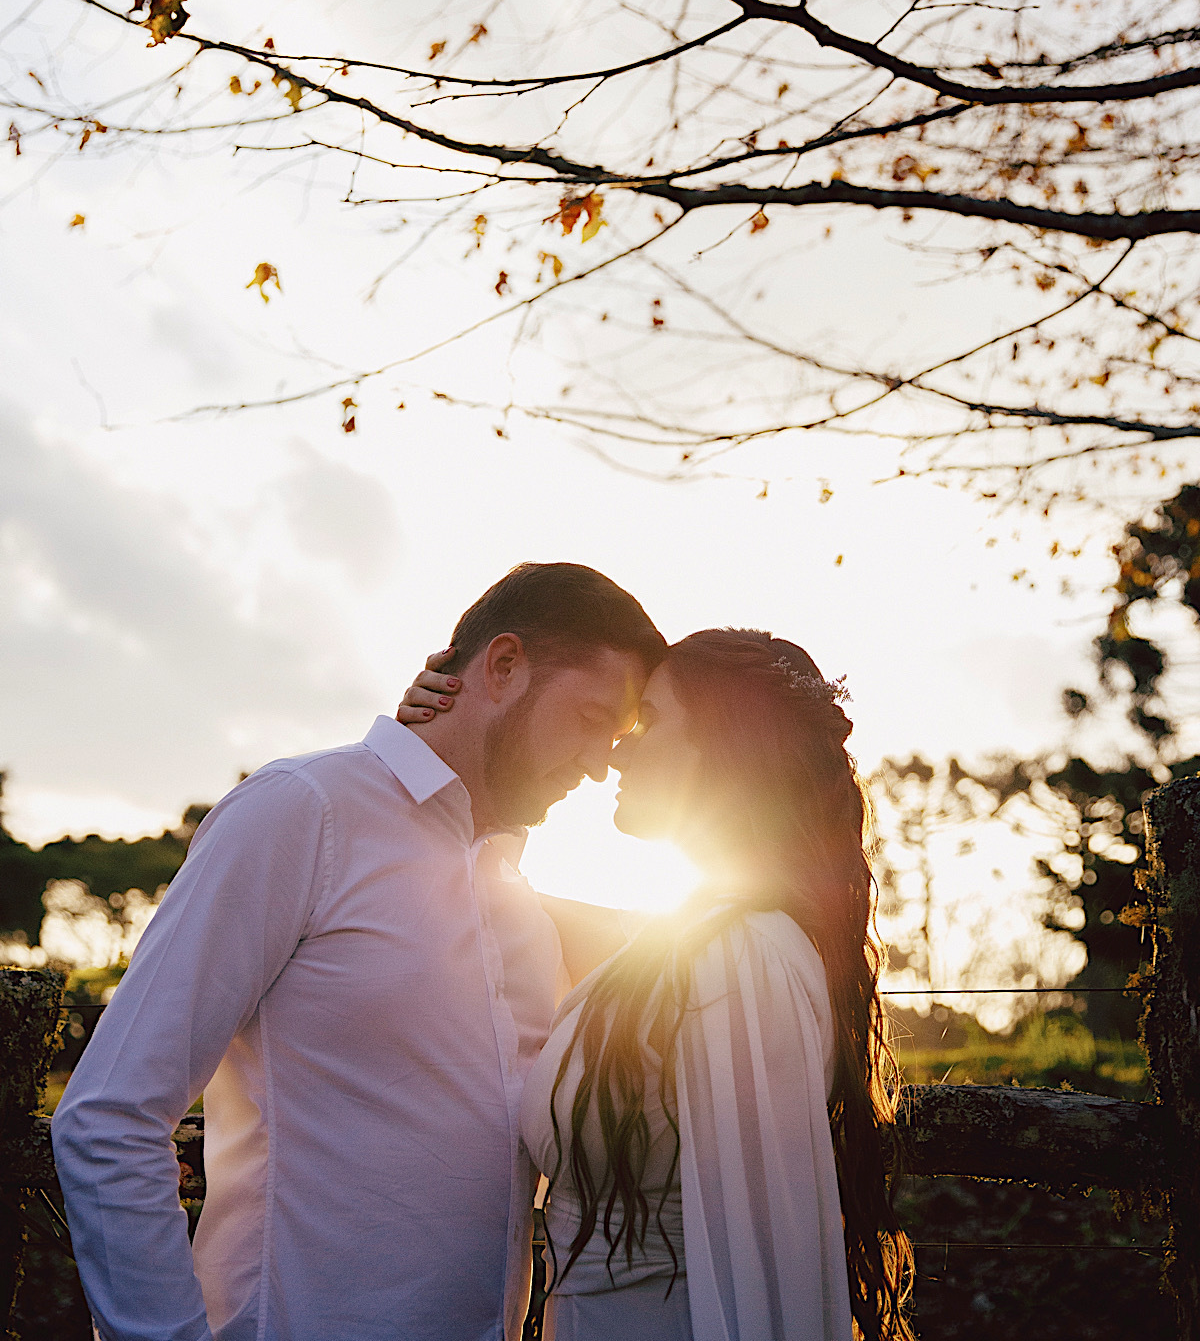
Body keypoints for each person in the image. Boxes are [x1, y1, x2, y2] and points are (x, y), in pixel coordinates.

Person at [52, 561, 666, 1341]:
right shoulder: (303, 810)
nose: (595, 763)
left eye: (614, 741)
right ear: (504, 666)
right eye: (588, 718)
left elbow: (699, 959)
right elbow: (109, 1116)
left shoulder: (514, 897)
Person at [403, 628, 913, 1341]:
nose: (617, 747)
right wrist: (453, 746)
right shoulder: (684, 943)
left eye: (648, 721)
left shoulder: (744, 961)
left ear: (725, 750)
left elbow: (762, 1266)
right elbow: (492, 900)